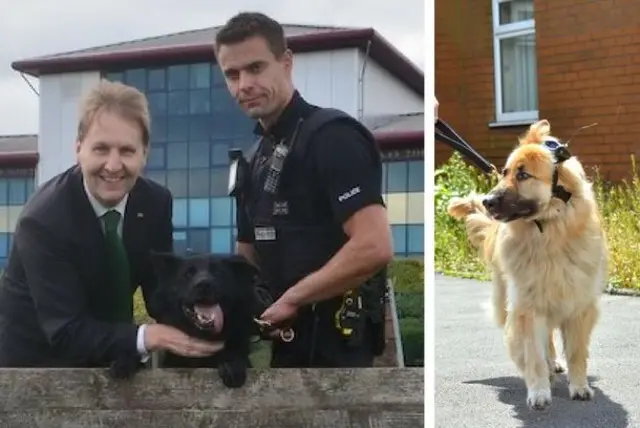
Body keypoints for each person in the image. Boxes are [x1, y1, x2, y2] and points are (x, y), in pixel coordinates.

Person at [0, 80, 223, 368]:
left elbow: (161, 292)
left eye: (127, 151)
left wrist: (205, 315)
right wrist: (147, 337)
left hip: (114, 354)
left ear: (145, 153)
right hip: (39, 369)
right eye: (101, 149)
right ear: (78, 148)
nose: (114, 165)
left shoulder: (155, 202)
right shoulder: (42, 222)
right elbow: (65, 331)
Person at [215, 12, 394, 368]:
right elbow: (246, 260)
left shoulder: (333, 136)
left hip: (340, 354)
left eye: (255, 68)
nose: (243, 84)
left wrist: (294, 298)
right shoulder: (253, 159)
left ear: (286, 62)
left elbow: (374, 245)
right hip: (281, 349)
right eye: (232, 75)